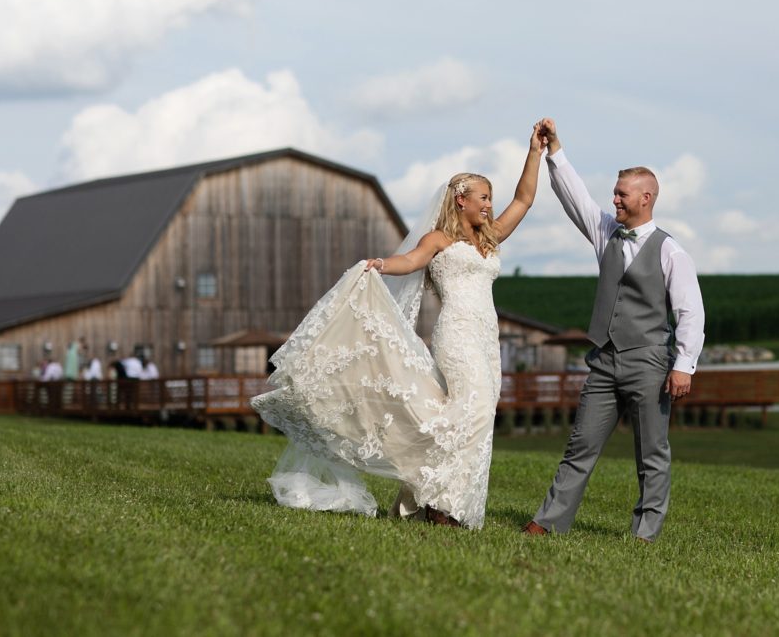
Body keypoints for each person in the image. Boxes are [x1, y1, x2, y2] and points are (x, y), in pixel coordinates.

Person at [252, 122, 544, 529]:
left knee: (472, 416)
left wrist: (535, 152)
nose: (490, 204)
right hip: (457, 335)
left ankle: (429, 499)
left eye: (491, 198)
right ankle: (443, 507)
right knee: (472, 413)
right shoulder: (438, 239)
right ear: (460, 200)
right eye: (483, 197)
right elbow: (409, 261)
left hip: (487, 339)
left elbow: (525, 199)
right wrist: (381, 265)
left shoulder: (490, 239)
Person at [523, 118, 705, 543]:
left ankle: (645, 533)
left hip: (649, 363)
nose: (614, 200)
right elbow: (576, 199)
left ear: (646, 197)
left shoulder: (672, 251)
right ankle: (548, 523)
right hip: (604, 361)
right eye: (614, 193)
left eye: (622, 194)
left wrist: (684, 367)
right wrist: (555, 151)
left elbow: (690, 312)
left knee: (651, 453)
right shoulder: (606, 232)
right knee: (580, 446)